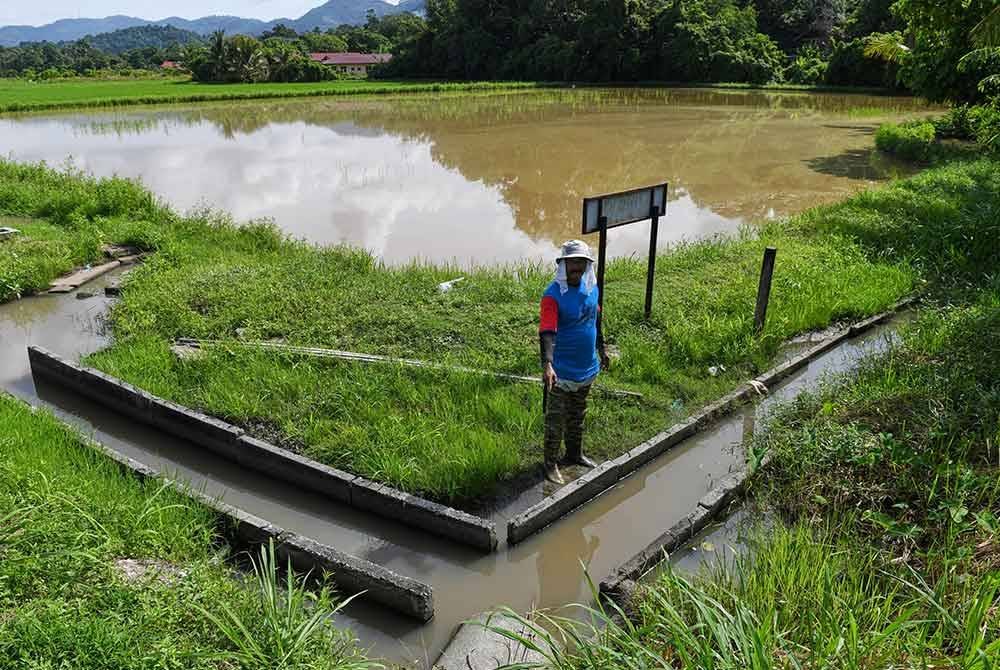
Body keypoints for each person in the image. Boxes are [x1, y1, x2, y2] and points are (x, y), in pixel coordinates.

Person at [538, 239, 609, 485]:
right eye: (572, 262)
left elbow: (596, 320)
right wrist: (547, 365)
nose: (577, 266)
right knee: (555, 420)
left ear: (587, 265)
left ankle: (574, 454)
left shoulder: (592, 287)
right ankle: (549, 464)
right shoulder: (553, 295)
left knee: (578, 414)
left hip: (587, 366)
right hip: (561, 371)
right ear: (563, 264)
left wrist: (602, 349)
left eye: (581, 261)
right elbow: (547, 331)